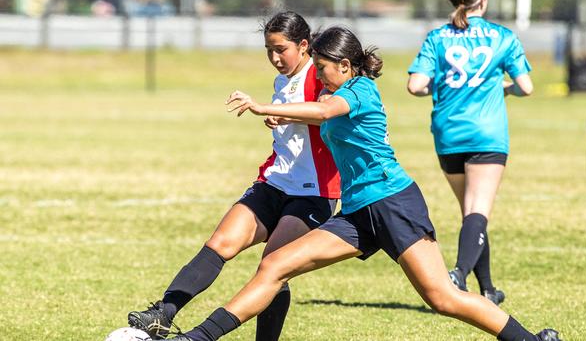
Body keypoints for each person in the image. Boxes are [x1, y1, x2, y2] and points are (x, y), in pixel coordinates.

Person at [161, 26, 560, 341]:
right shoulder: (341, 92)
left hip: (393, 203)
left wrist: (265, 106)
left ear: (346, 66)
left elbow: (325, 109)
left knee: (443, 298)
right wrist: (288, 117)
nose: (317, 75)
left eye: (321, 68)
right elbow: (321, 116)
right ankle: (198, 337)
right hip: (356, 213)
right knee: (275, 264)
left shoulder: (360, 90)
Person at [127, 11, 340, 341]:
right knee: (219, 244)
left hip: (314, 193)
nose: (274, 57)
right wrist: (279, 117)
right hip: (274, 182)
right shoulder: (282, 80)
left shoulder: (319, 75)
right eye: (268, 49)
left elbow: (327, 115)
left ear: (303, 45)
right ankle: (163, 314)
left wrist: (271, 111)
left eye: (280, 49)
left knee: (273, 266)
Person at [406, 0, 533, 304]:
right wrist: (505, 87)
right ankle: (458, 274)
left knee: (472, 213)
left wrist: (446, 87)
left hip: (448, 135)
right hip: (486, 135)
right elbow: (526, 86)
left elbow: (416, 85)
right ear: (484, 0)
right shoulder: (502, 37)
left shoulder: (437, 38)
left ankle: (489, 289)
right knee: (477, 211)